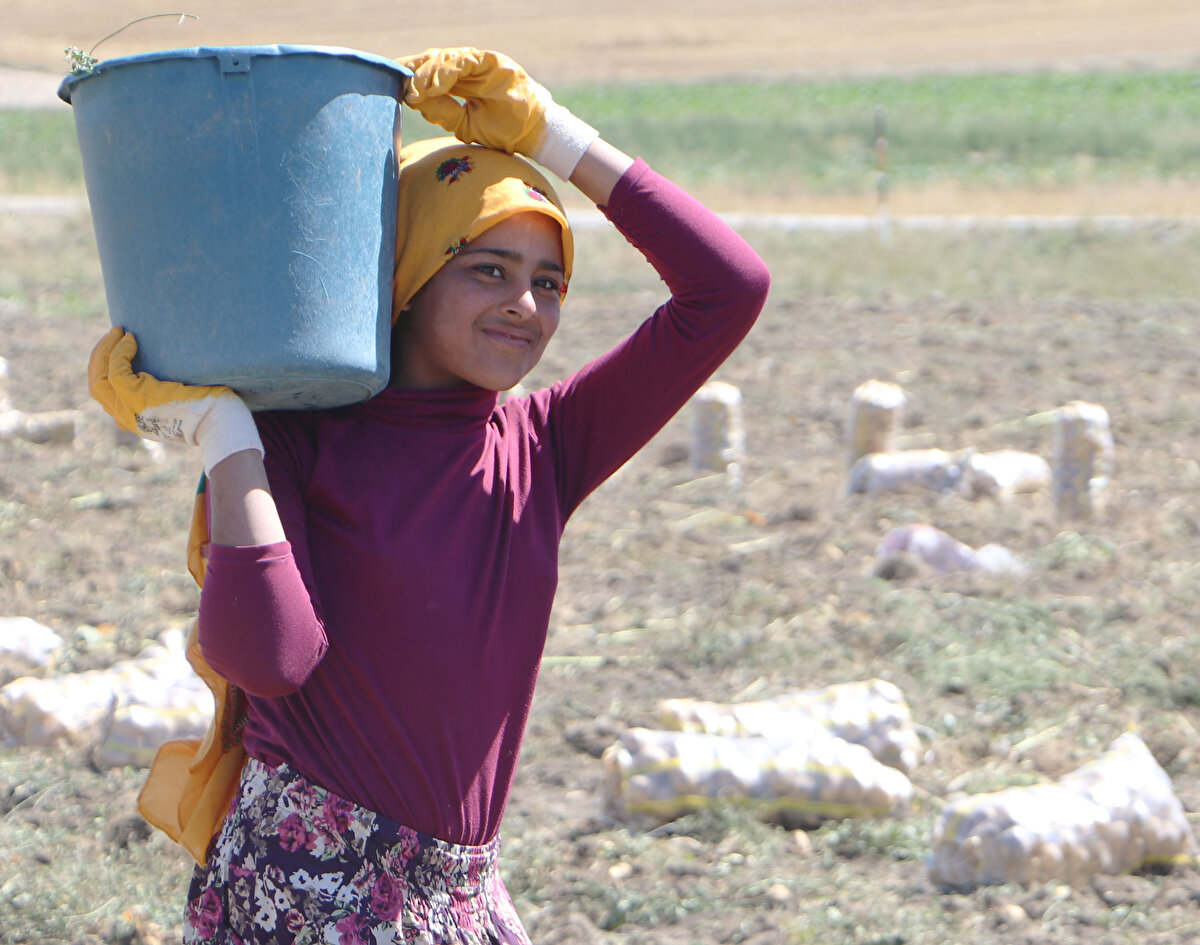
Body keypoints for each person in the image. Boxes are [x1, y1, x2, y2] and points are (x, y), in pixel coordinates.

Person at [88, 47, 770, 945]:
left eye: (550, 281)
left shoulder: (544, 446)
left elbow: (730, 287)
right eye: (487, 267)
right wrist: (228, 443)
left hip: (462, 892)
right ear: (407, 274)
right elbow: (270, 659)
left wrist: (557, 138)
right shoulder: (295, 441)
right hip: (305, 890)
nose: (526, 304)